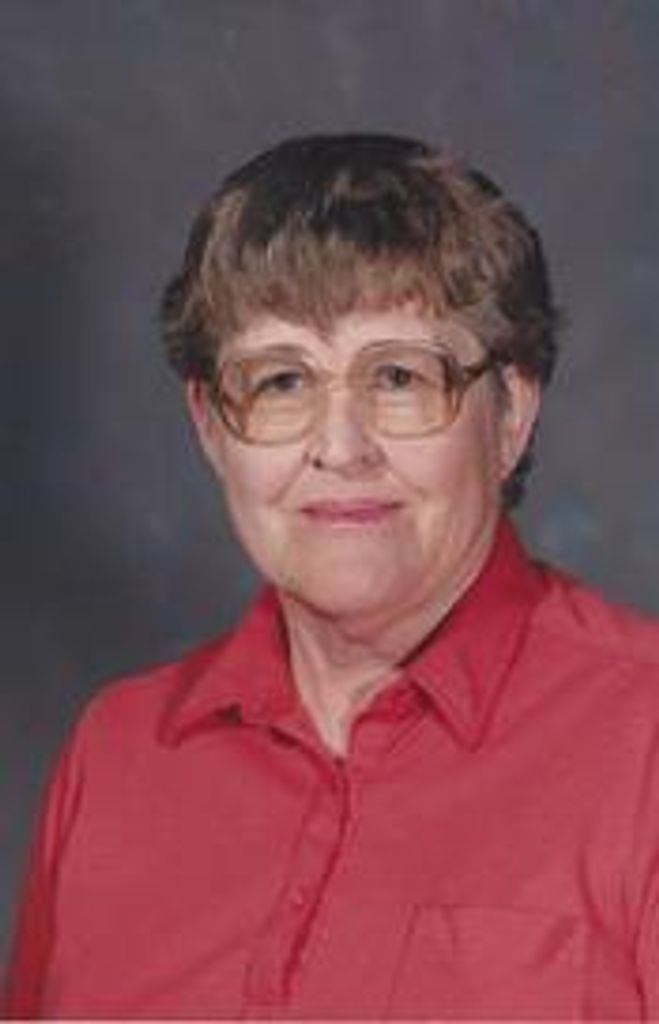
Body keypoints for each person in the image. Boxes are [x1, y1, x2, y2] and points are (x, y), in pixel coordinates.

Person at [4, 132, 659, 1020]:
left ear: (510, 413)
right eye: (280, 382)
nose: (339, 447)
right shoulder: (117, 755)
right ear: (210, 425)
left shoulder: (640, 742)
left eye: (398, 376)